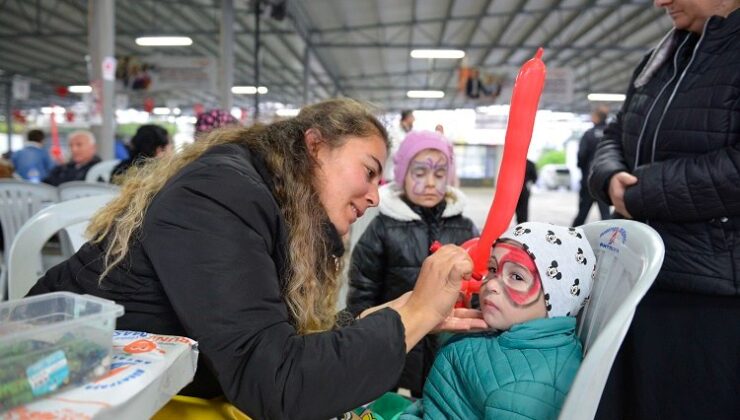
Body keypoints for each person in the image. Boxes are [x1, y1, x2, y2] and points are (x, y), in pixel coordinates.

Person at [26, 99, 486, 419]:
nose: (373, 195)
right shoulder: (220, 194)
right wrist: (417, 314)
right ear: (314, 146)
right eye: (368, 172)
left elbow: (267, 339)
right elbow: (275, 383)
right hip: (47, 382)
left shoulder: (268, 204)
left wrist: (401, 314)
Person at [588, 1, 740, 419]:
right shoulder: (661, 55)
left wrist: (641, 193)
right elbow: (613, 132)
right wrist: (609, 175)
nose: (659, 2)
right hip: (638, 281)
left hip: (710, 297)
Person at [396, 222, 596, 419]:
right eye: (493, 269)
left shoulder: (530, 388)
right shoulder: (507, 329)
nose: (491, 284)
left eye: (516, 276)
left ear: (557, 297)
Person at [346, 130, 479, 397]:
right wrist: (359, 336)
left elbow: (476, 282)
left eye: (440, 174)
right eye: (420, 173)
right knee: (382, 399)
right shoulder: (383, 227)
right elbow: (363, 286)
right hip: (394, 339)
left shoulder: (465, 227)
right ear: (402, 174)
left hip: (443, 344)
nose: (431, 183)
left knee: (433, 397)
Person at [571, 107, 610, 226]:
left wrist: (583, 170)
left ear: (596, 117)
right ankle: (610, 240)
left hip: (589, 180)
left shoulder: (589, 134)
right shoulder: (611, 133)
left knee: (582, 212)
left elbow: (581, 155)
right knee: (606, 215)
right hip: (605, 180)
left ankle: (571, 238)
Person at [383, 109, 415, 182]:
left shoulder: (408, 132)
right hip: (391, 174)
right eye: (412, 117)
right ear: (407, 118)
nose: (414, 120)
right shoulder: (393, 131)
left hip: (404, 174)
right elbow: (393, 152)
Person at [515, 159, 538, 223]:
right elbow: (535, 178)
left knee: (515, 209)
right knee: (523, 209)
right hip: (524, 190)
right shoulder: (530, 164)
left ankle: (519, 223)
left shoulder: (514, 162)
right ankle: (522, 225)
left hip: (513, 190)